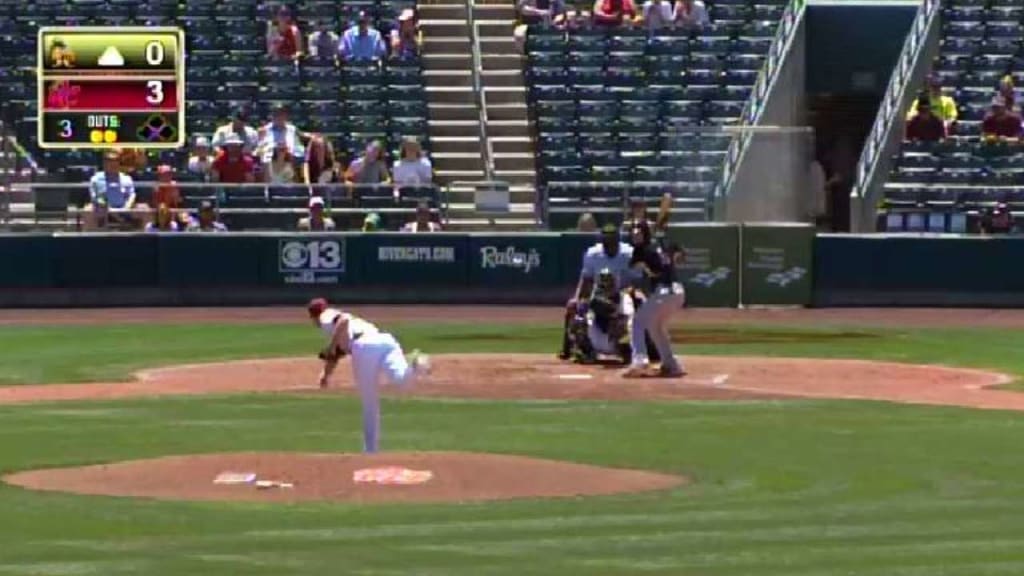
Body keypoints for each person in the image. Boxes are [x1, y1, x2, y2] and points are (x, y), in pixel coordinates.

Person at [308, 297, 431, 453]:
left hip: (364, 347)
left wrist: (331, 346)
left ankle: (370, 451)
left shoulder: (325, 316)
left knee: (369, 403)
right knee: (401, 379)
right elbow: (337, 354)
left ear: (313, 316)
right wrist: (326, 374)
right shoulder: (338, 324)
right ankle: (416, 364)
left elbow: (343, 320)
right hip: (385, 341)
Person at [559, 224, 634, 359]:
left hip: (623, 294)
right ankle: (570, 349)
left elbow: (638, 281)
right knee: (577, 310)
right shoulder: (593, 254)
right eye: (606, 242)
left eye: (611, 242)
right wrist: (577, 298)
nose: (608, 245)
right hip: (599, 300)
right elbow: (586, 278)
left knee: (632, 317)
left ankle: (638, 348)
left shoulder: (629, 254)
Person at [625, 220, 685, 378]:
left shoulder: (640, 249)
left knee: (637, 322)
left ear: (645, 233)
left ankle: (640, 360)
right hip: (677, 293)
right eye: (634, 231)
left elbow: (633, 266)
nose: (635, 234)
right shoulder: (662, 242)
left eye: (639, 231)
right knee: (655, 326)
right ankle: (671, 364)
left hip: (664, 292)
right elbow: (680, 253)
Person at [86, 151, 138, 229]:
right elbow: (95, 197)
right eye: (109, 161)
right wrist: (110, 210)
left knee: (143, 209)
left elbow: (132, 195)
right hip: (103, 210)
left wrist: (127, 207)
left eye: (115, 161)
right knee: (87, 210)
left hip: (124, 209)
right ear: (104, 163)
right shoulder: (96, 178)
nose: (112, 164)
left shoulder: (126, 178)